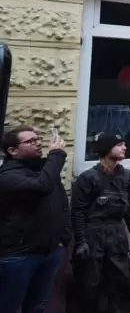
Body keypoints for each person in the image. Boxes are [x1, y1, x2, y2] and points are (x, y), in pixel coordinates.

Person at [0, 126, 70, 313]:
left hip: (50, 252)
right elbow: (41, 187)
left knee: (37, 306)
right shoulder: (8, 176)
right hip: (19, 255)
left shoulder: (45, 170)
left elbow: (62, 203)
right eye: (30, 141)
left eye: (37, 139)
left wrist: (63, 238)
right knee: (8, 307)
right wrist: (56, 154)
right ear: (12, 151)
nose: (38, 143)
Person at [70, 133, 130, 312]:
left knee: (122, 279)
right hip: (93, 233)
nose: (124, 147)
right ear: (106, 149)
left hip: (117, 232)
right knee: (90, 283)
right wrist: (81, 241)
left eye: (124, 144)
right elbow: (78, 212)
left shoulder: (127, 176)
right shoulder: (88, 178)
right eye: (119, 144)